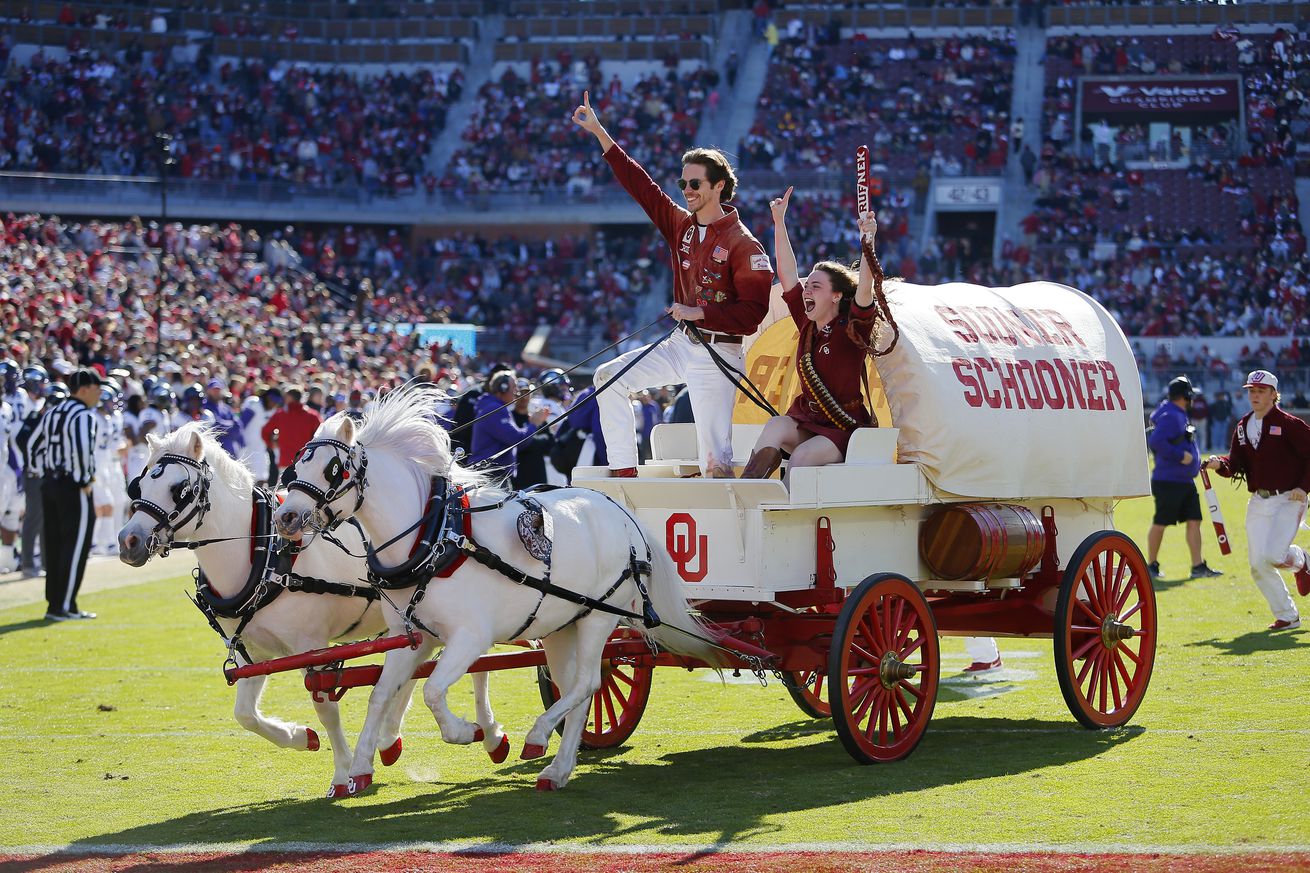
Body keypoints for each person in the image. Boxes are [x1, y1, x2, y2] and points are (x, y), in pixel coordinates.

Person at [573, 90, 772, 478]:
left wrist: (700, 311)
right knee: (606, 378)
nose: (687, 190)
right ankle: (624, 474)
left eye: (695, 183)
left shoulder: (744, 244)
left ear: (718, 187)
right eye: (683, 183)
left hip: (720, 353)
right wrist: (600, 133)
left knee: (715, 463)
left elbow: (753, 313)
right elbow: (641, 185)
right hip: (683, 342)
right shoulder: (680, 223)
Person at [740, 189, 886, 480]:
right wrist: (779, 222)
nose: (807, 290)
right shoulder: (807, 325)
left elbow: (865, 290)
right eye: (809, 286)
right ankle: (748, 496)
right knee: (775, 427)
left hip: (842, 428)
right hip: (807, 419)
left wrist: (868, 241)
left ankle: (782, 515)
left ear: (836, 296)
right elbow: (788, 276)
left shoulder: (852, 329)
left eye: (816, 286)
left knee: (803, 457)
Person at [1204, 370, 1310, 632]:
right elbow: (1235, 463)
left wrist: (1304, 487)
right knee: (1257, 565)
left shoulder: (1289, 423)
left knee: (1273, 555)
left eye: (1261, 391)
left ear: (1274, 394)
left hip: (1289, 499)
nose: (1255, 395)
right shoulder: (1243, 426)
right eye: (1251, 390)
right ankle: (1288, 616)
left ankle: (1303, 562)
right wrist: (1219, 463)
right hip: (1258, 501)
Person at [34, 369, 102, 621]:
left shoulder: (53, 412)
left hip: (49, 483)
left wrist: (40, 470)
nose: (100, 394)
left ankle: (56, 602)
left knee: (53, 544)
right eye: (97, 388)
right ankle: (64, 605)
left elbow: (32, 444)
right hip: (73, 486)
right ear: (84, 389)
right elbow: (84, 450)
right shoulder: (83, 415)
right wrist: (85, 479)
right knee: (75, 547)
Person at [1146, 375, 1224, 580]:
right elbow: (1156, 441)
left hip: (1183, 481)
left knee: (1194, 520)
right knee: (1161, 522)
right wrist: (1181, 456)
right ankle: (1151, 565)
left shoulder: (1175, 413)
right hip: (1169, 480)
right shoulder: (1172, 415)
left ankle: (1198, 565)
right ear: (1185, 395)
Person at [469, 370, 548, 481]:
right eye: (514, 387)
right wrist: (533, 424)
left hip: (492, 472)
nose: (517, 392)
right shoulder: (495, 409)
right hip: (492, 475)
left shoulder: (495, 407)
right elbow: (516, 439)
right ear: (503, 388)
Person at [261, 387, 322, 476]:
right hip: (306, 461)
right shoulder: (313, 415)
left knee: (283, 489)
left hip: (285, 461)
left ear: (289, 398)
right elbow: (322, 435)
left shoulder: (280, 414)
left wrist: (272, 444)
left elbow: (264, 432)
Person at [238, 386, 280, 486]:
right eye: (271, 400)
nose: (273, 404)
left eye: (275, 402)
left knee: (261, 478)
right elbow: (241, 425)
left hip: (260, 449)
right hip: (246, 448)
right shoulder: (254, 405)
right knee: (244, 477)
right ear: (267, 398)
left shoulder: (272, 410)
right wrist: (240, 442)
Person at [202, 377, 244, 457]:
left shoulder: (226, 408)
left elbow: (238, 426)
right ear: (208, 390)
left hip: (229, 448)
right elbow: (215, 425)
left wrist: (227, 427)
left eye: (218, 390)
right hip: (213, 448)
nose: (216, 392)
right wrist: (230, 425)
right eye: (214, 389)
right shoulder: (204, 406)